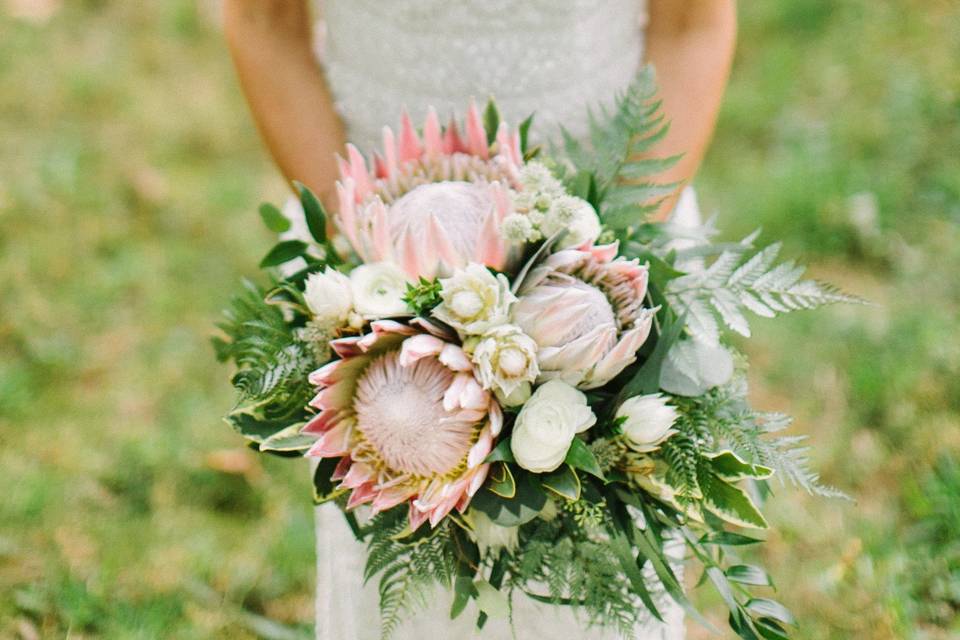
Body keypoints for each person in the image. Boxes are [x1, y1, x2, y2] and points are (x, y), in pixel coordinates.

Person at [224, 2, 736, 638]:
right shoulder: (366, 264)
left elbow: (691, 24)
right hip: (371, 250)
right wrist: (368, 260)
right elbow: (265, 23)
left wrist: (604, 262)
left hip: (611, 245)